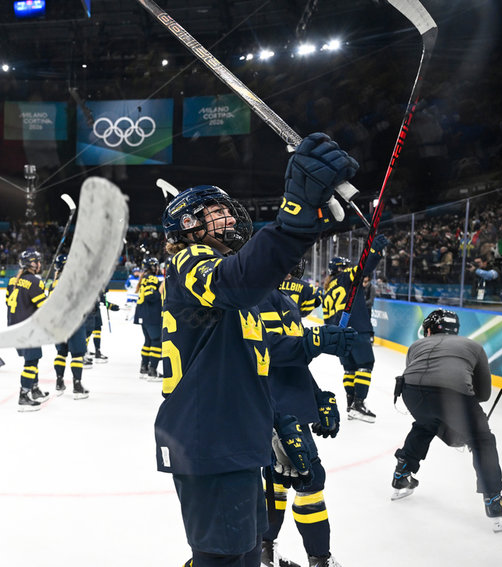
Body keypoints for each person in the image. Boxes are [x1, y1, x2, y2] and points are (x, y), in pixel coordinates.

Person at [156, 132, 360, 567]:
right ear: (187, 227)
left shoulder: (242, 289)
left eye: (228, 209)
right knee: (224, 560)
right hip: (210, 442)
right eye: (214, 212)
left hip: (233, 439)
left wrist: (278, 420)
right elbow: (234, 281)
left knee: (245, 554)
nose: (228, 216)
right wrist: (294, 220)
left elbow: (251, 366)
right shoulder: (189, 259)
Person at [258, 273, 354, 567]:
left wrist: (317, 395)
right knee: (307, 478)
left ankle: (263, 550)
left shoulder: (285, 300)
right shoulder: (252, 299)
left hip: (288, 401)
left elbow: (294, 360)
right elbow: (264, 350)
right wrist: (317, 339)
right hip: (271, 403)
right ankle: (318, 559)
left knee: (278, 479)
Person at [391, 309, 502, 532]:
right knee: (482, 440)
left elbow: (413, 373)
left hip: (411, 394)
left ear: (429, 329)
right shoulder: (473, 346)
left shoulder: (415, 346)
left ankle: (402, 475)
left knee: (424, 425)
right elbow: (482, 395)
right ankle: (494, 500)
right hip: (453, 396)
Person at [321, 234, 389, 423]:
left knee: (350, 369)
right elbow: (364, 268)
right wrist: (375, 252)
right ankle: (358, 405)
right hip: (356, 327)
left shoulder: (328, 289)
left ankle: (350, 404)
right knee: (365, 365)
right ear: (341, 269)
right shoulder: (345, 278)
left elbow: (327, 319)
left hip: (340, 333)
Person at [6, 249, 49, 411]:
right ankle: (24, 395)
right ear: (32, 263)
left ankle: (34, 388)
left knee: (32, 359)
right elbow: (43, 308)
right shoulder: (35, 282)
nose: (39, 264)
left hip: (15, 327)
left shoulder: (12, 281)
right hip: (29, 329)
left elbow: (8, 303)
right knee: (31, 362)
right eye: (37, 261)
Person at [50, 254, 90, 399]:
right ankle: (77, 386)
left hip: (58, 323)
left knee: (61, 353)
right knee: (77, 355)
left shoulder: (54, 283)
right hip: (74, 322)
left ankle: (59, 382)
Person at [134, 256, 162, 381]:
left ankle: (144, 368)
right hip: (152, 315)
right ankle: (152, 371)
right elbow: (150, 296)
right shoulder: (151, 278)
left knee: (148, 341)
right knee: (156, 341)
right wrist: (160, 290)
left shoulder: (144, 278)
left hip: (144, 314)